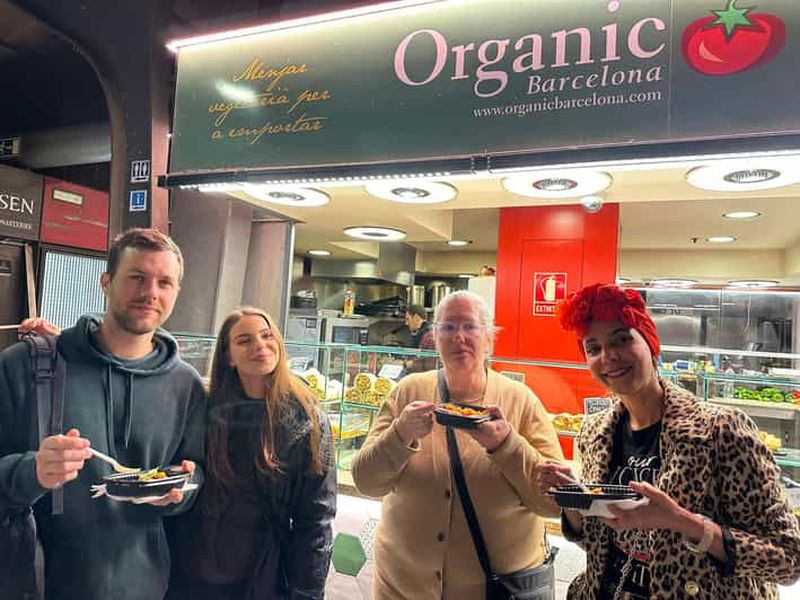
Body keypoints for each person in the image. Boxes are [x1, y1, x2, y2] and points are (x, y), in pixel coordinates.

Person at [537, 283, 800, 599]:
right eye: (593, 348)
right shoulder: (595, 433)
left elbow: (789, 559)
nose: (608, 356)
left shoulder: (721, 430)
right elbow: (603, 545)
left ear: (649, 342)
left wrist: (683, 522)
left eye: (622, 339)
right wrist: (575, 502)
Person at [0, 228, 207, 600]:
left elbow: (196, 473)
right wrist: (32, 472)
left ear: (177, 291)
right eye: (137, 277)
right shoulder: (23, 366)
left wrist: (180, 489)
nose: (151, 292)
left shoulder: (185, 384)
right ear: (106, 283)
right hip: (36, 584)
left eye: (164, 282)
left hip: (144, 587)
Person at [352, 290, 564, 599]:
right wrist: (400, 434)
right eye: (448, 327)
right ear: (435, 337)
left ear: (489, 337)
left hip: (497, 591)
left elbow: (554, 502)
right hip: (402, 589)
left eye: (470, 326)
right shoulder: (408, 392)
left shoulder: (520, 400)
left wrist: (506, 445)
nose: (458, 337)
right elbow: (366, 482)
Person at [166, 306, 336, 600]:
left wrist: (308, 592)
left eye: (267, 336)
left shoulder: (307, 418)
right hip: (195, 570)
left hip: (263, 574)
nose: (260, 345)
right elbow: (183, 480)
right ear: (229, 357)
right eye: (244, 340)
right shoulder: (205, 409)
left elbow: (316, 519)